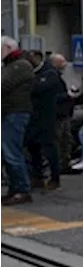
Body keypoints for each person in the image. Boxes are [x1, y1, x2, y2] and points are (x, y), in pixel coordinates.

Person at [0, 37, 35, 205]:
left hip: (15, 113)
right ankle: (15, 188)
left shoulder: (20, 65)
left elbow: (2, 84)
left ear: (8, 47)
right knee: (8, 153)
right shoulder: (11, 65)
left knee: (12, 152)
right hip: (9, 112)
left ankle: (22, 189)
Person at [26, 51, 67, 190]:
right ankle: (37, 176)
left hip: (48, 117)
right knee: (33, 147)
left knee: (50, 147)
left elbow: (38, 89)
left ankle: (55, 177)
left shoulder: (49, 73)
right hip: (32, 116)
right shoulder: (31, 73)